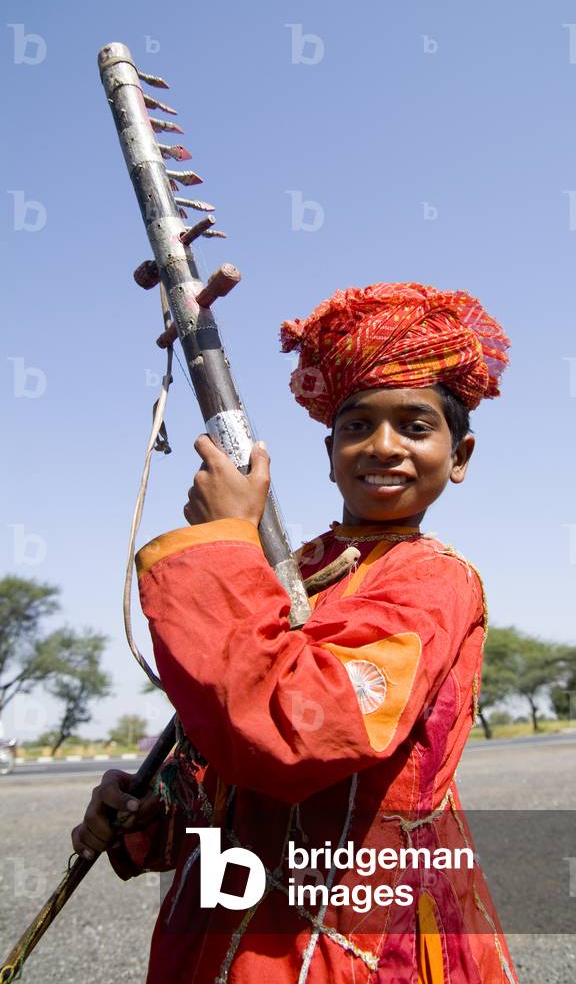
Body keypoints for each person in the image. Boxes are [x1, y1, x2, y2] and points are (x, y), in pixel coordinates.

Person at [72, 281, 517, 983]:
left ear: (460, 456)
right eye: (357, 425)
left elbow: (298, 734)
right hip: (226, 917)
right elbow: (222, 747)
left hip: (351, 934)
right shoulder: (293, 565)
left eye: (416, 426)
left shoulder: (433, 579)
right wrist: (148, 811)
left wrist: (222, 544)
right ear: (329, 447)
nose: (384, 445)